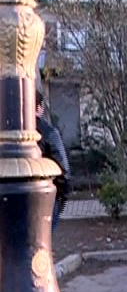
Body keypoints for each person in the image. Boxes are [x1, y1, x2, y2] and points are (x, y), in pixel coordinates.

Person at [36, 90, 70, 234]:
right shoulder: (48, 133)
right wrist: (61, 198)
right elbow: (64, 172)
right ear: (39, 107)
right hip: (46, 199)